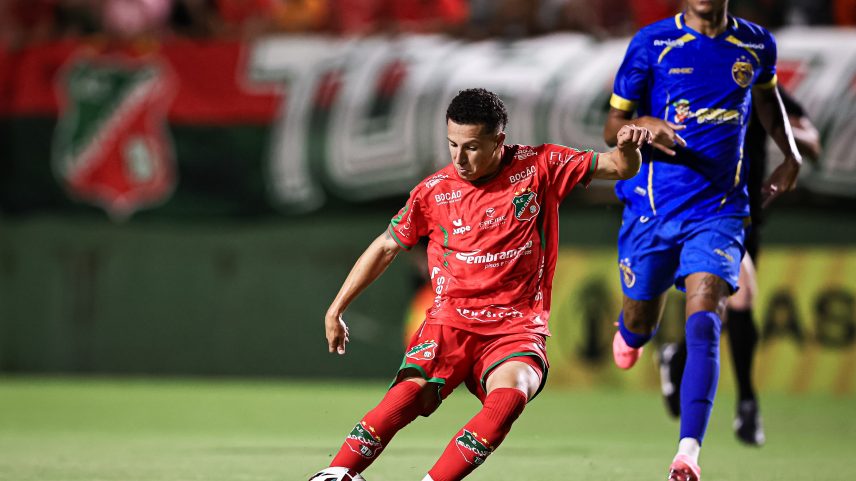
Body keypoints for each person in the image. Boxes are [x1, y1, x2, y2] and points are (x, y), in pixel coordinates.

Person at [311, 88, 652, 481]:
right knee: (408, 394)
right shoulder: (433, 191)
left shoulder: (541, 165)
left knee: (512, 395)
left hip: (516, 328)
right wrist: (336, 308)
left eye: (472, 147)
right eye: (452, 144)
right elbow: (387, 245)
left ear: (498, 140)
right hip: (449, 322)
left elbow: (619, 167)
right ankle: (335, 474)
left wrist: (629, 147)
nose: (459, 158)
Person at [603, 1, 803, 480]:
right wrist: (643, 126)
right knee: (638, 322)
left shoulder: (755, 44)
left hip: (720, 208)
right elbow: (612, 126)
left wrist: (790, 153)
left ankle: (687, 452)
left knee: (707, 314)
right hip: (652, 208)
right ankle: (632, 333)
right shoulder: (651, 43)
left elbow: (768, 99)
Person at [657, 85, 822, 447]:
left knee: (723, 308)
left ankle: (677, 358)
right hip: (703, 213)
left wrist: (775, 125)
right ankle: (748, 402)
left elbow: (812, 141)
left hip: (750, 216)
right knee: (741, 296)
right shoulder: (690, 85)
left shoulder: (761, 89)